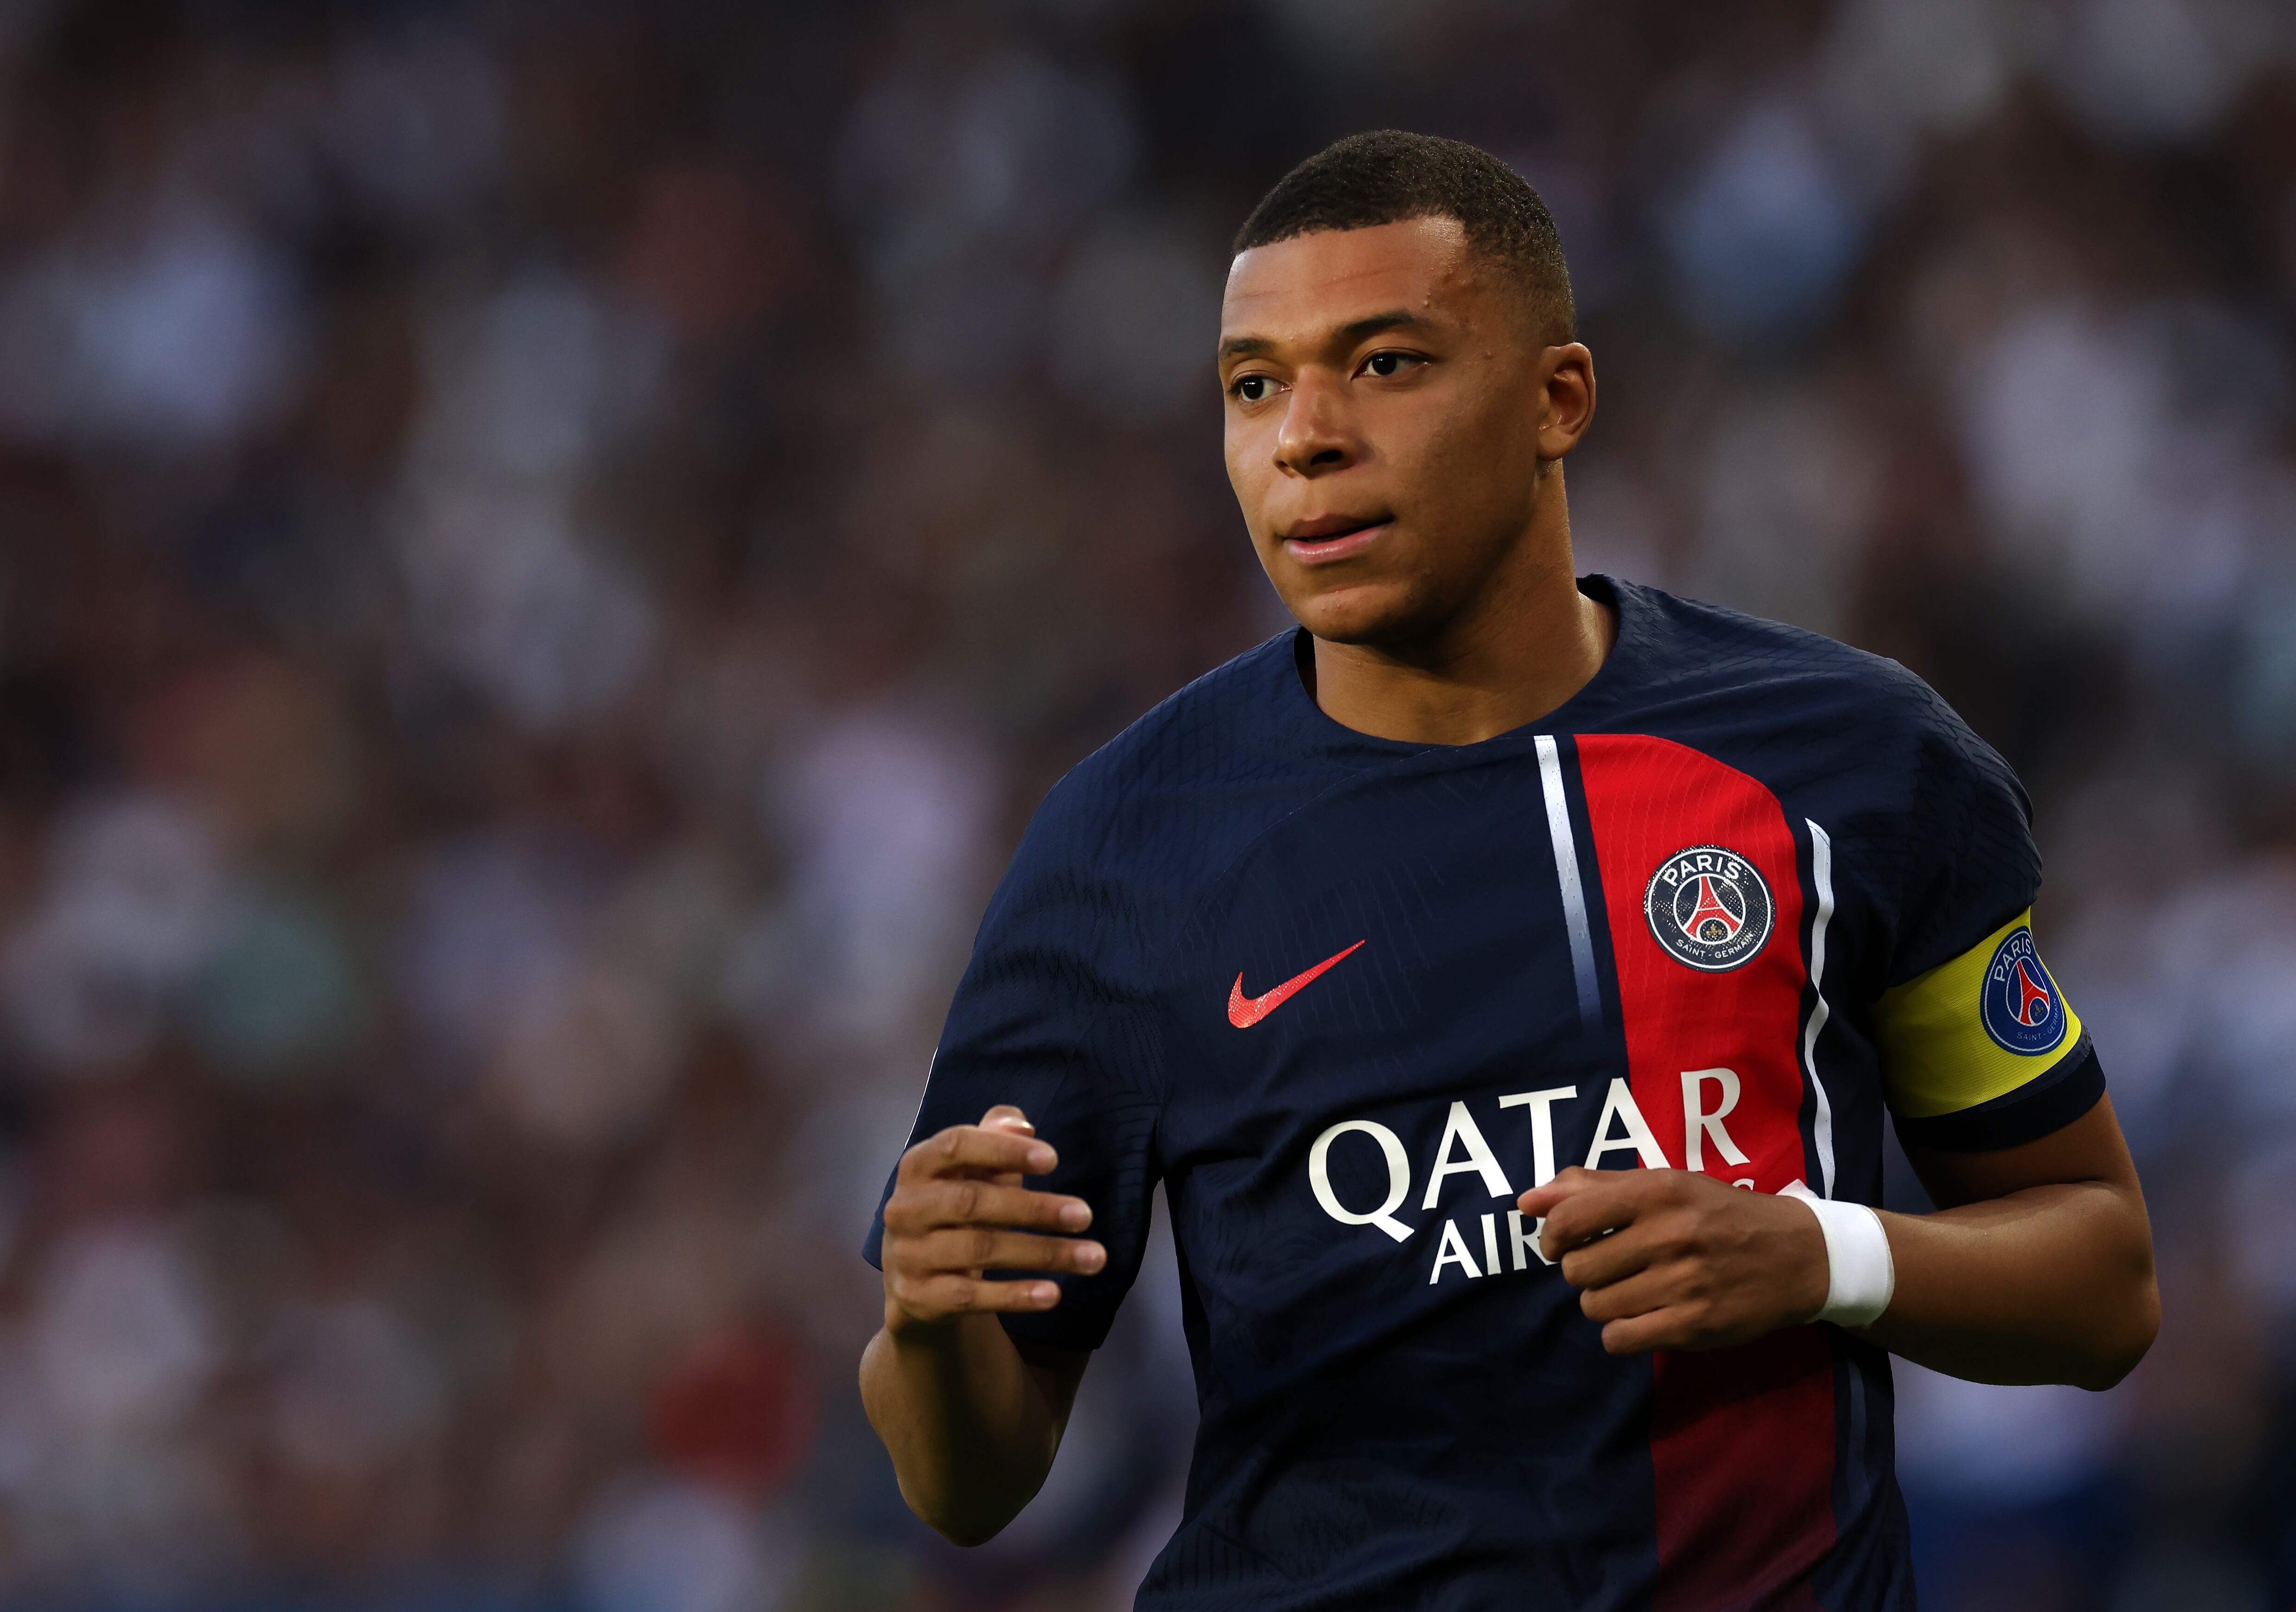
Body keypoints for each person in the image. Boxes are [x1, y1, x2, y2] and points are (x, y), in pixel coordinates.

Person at [857, 130, 2158, 1610]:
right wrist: (928, 1320)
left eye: (1387, 363)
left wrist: (1825, 1256)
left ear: (1559, 401)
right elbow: (969, 1483)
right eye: (1253, 385)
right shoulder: (1121, 846)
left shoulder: (1851, 762)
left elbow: (2103, 1281)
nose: (1306, 437)